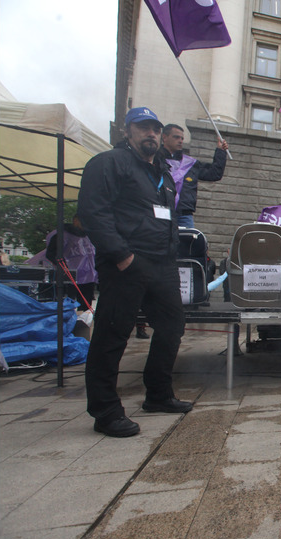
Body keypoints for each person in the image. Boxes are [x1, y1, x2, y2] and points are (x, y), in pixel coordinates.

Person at [77, 106, 193, 438]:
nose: (151, 134)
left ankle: (158, 395)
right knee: (112, 336)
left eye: (155, 129)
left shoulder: (163, 172)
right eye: (143, 128)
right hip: (126, 263)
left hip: (162, 264)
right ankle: (106, 412)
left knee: (172, 326)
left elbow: (166, 217)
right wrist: (121, 255)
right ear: (128, 132)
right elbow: (92, 212)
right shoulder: (109, 163)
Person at [160, 123, 228, 229]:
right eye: (176, 137)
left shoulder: (190, 163)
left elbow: (214, 174)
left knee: (187, 244)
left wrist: (220, 151)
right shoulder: (153, 159)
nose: (180, 141)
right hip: (161, 211)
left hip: (184, 215)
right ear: (164, 137)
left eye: (182, 138)